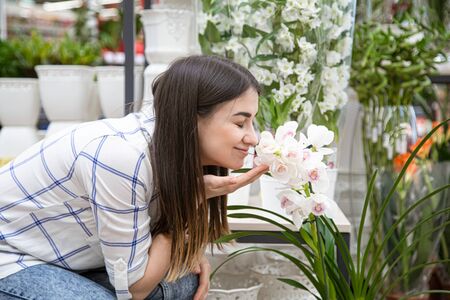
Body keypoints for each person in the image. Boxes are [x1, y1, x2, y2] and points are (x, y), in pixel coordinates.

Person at [0, 55, 269, 300]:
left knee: (185, 283)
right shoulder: (122, 157)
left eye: (252, 122)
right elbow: (136, 289)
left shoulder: (175, 152)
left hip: (64, 258)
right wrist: (194, 199)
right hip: (11, 257)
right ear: (191, 117)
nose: (253, 137)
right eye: (239, 123)